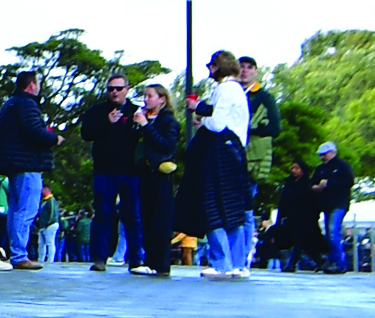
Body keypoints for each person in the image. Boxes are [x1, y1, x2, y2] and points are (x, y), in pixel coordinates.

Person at [180, 50, 253, 277]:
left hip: (219, 152)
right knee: (233, 209)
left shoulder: (223, 89)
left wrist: (200, 114)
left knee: (213, 207)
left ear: (217, 67)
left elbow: (217, 124)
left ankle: (221, 262)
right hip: (236, 150)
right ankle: (237, 262)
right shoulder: (238, 90)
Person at [0, 69, 59, 269]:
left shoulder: (10, 104)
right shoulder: (27, 104)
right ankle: (19, 254)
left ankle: (15, 251)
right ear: (31, 85)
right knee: (26, 209)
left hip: (13, 162)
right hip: (27, 163)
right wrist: (54, 138)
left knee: (15, 209)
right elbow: (34, 131)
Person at [82, 73, 146, 275]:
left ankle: (136, 259)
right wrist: (106, 123)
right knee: (103, 214)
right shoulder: (97, 111)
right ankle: (100, 258)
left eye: (118, 88)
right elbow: (86, 133)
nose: (114, 92)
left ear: (127, 89)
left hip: (130, 172)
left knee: (133, 216)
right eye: (111, 89)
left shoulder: (136, 111)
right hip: (105, 171)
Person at [237, 55, 278, 269]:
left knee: (245, 207)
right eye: (241, 67)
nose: (244, 71)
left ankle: (243, 256)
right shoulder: (232, 94)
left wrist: (249, 128)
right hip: (232, 155)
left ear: (255, 71)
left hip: (252, 157)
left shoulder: (263, 97)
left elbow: (275, 127)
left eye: (249, 67)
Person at [137, 81, 181, 274]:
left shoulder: (169, 121)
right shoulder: (143, 118)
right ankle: (149, 260)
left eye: (150, 96)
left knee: (160, 220)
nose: (146, 100)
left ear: (162, 99)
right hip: (145, 173)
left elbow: (166, 145)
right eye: (145, 96)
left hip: (161, 173)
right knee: (146, 217)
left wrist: (146, 126)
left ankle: (160, 263)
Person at [313, 141, 355, 273]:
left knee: (332, 230)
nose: (322, 157)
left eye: (324, 154)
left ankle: (339, 262)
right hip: (326, 204)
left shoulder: (342, 166)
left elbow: (349, 182)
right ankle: (334, 259)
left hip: (339, 203)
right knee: (330, 232)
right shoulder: (320, 168)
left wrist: (329, 183)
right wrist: (316, 187)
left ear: (331, 152)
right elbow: (312, 183)